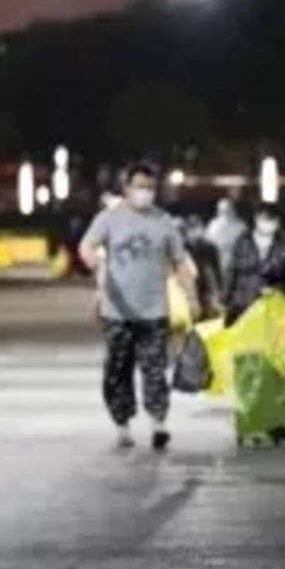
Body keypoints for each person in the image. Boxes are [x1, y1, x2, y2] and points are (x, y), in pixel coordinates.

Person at [79, 163, 197, 451]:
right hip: (117, 311)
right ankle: (123, 425)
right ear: (127, 187)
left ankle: (159, 424)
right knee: (117, 371)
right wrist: (95, 262)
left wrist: (191, 296)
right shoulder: (109, 219)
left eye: (150, 187)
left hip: (154, 310)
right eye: (140, 186)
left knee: (155, 369)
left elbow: (181, 261)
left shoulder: (164, 222)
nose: (145, 192)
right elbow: (87, 246)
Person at [223, 205, 285, 325]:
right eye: (265, 219)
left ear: (278, 223)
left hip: (274, 308)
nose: (268, 223)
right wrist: (225, 299)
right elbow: (232, 271)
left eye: (272, 220)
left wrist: (278, 290)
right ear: (256, 219)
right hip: (244, 305)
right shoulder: (243, 242)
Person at [179, 214, 223, 322]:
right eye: (191, 229)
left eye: (197, 228)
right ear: (186, 232)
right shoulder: (182, 249)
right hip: (190, 293)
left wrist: (217, 293)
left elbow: (216, 271)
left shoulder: (210, 248)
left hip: (208, 291)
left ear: (202, 229)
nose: (195, 233)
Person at [206, 196, 247, 283]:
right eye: (222, 210)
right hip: (219, 258)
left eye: (227, 209)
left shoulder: (241, 225)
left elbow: (246, 243)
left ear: (232, 209)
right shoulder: (213, 225)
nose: (225, 212)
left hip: (238, 260)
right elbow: (209, 242)